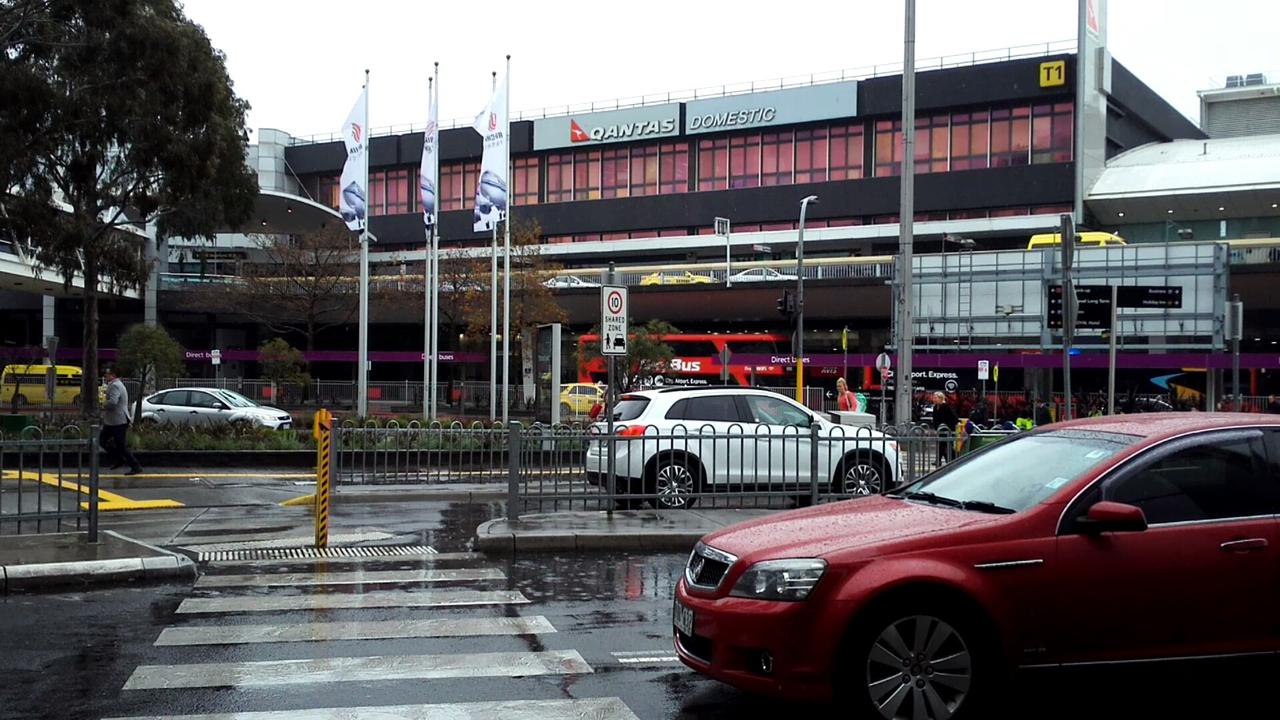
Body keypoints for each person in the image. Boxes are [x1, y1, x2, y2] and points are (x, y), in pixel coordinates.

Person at [101, 366, 142, 475]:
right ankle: (119, 459)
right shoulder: (116, 384)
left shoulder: (115, 386)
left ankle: (135, 465)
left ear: (113, 375)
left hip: (118, 420)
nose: (106, 376)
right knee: (104, 441)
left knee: (119, 444)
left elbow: (113, 402)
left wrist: (103, 404)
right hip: (114, 420)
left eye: (108, 374)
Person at [931, 391, 959, 464]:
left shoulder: (946, 407)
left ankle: (950, 459)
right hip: (940, 429)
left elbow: (954, 418)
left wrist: (948, 426)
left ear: (940, 398)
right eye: (933, 398)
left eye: (935, 398)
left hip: (947, 429)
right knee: (941, 445)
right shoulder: (935, 407)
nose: (933, 399)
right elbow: (935, 419)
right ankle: (941, 459)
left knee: (946, 445)